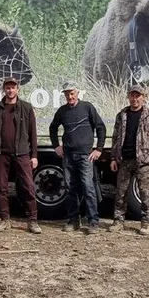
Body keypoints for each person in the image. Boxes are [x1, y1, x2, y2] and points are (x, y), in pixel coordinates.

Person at [49, 80, 106, 234]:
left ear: (77, 93)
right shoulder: (62, 111)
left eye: (72, 93)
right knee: (69, 189)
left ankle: (93, 221)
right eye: (67, 94)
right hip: (68, 156)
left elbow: (100, 127)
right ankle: (74, 220)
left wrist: (99, 149)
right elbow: (53, 128)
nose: (70, 96)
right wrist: (56, 146)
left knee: (88, 188)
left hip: (85, 156)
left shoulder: (87, 107)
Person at [0, 75, 42, 234]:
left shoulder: (26, 107)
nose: (10, 90)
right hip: (1, 154)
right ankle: (4, 220)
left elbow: (33, 133)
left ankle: (32, 221)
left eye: (13, 87)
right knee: (2, 188)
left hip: (22, 154)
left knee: (29, 187)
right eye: (8, 87)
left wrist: (34, 155)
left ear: (18, 89)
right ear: (4, 89)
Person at [109, 84, 149, 235]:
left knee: (145, 193)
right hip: (124, 160)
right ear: (128, 97)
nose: (135, 98)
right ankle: (118, 221)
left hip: (144, 161)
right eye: (132, 95)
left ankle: (146, 222)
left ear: (143, 97)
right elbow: (115, 138)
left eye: (138, 96)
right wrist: (113, 157)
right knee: (121, 192)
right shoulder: (122, 115)